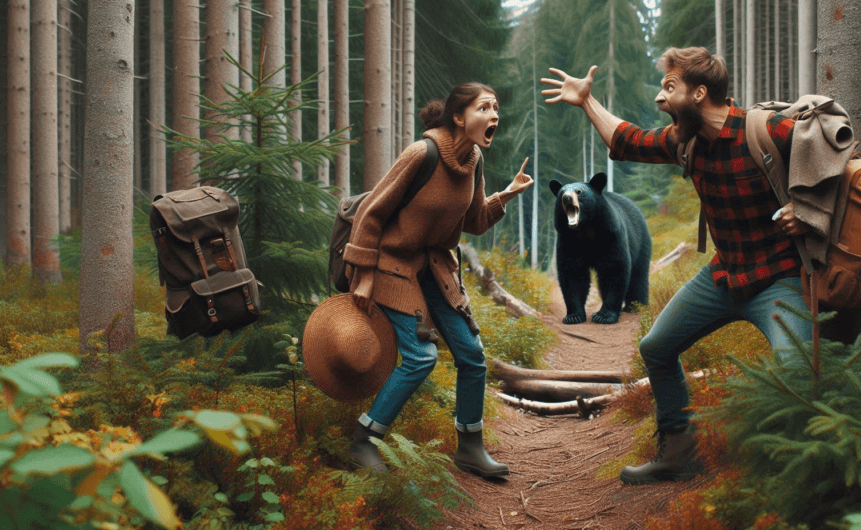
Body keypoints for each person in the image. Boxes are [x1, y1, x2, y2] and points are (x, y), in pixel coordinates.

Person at [541, 46, 827, 485]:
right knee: (656, 347)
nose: (660, 98)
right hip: (723, 275)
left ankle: (801, 479)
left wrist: (809, 209)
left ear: (698, 93)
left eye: (668, 87)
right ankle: (678, 452)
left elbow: (844, 161)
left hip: (780, 279)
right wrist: (586, 101)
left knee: (795, 371)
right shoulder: (685, 142)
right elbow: (626, 141)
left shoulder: (769, 130)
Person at [343, 82, 533, 478]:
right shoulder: (422, 153)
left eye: (497, 107)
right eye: (485, 107)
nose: (495, 114)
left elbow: (475, 220)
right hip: (390, 264)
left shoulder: (474, 160)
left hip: (436, 268)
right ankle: (364, 441)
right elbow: (371, 214)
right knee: (420, 357)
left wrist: (507, 194)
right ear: (459, 117)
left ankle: (470, 447)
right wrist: (361, 275)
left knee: (473, 356)